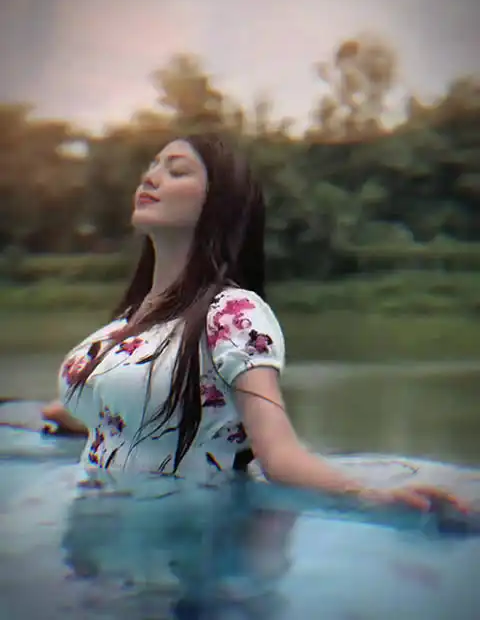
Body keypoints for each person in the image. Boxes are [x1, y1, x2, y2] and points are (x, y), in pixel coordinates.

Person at [42, 133, 470, 513]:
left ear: (218, 203)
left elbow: (278, 455)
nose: (150, 178)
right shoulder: (123, 326)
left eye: (176, 171)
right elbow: (127, 409)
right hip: (94, 541)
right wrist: (78, 413)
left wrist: (371, 496)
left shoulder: (233, 315)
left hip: (169, 547)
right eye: (151, 167)